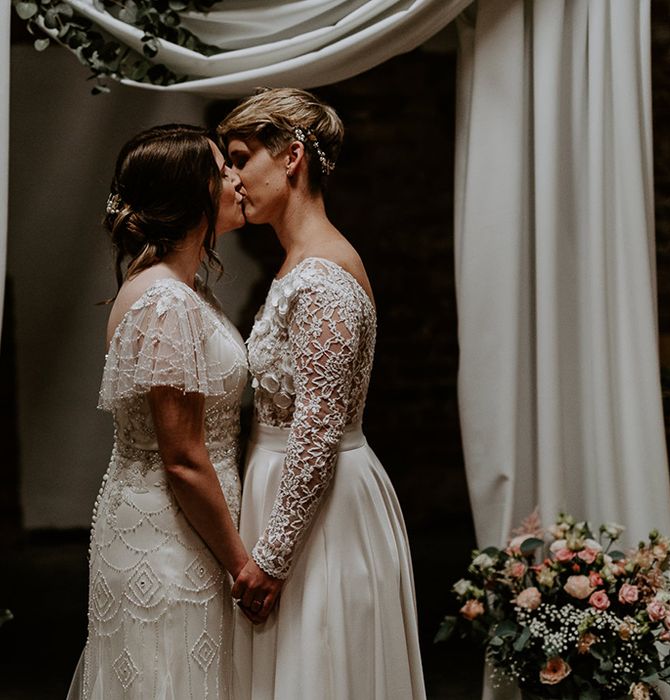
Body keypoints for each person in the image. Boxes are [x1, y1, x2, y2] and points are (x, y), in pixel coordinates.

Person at [219, 88, 427, 699]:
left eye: (239, 157)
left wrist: (273, 558)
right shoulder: (295, 262)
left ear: (291, 157)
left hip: (319, 509)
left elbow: (318, 427)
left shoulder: (324, 277)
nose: (232, 177)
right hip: (282, 488)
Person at [67, 124, 262, 699]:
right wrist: (241, 565)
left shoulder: (176, 288)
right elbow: (181, 456)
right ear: (190, 191)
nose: (235, 179)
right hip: (170, 533)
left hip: (176, 522)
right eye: (220, 169)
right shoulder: (166, 300)